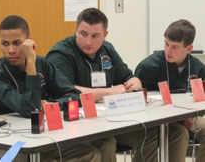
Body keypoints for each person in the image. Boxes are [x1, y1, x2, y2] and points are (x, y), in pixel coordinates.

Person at [46, 8, 188, 162]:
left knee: (168, 132)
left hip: (108, 118)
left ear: (105, 35)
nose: (88, 41)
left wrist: (134, 82)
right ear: (76, 30)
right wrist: (112, 92)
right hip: (76, 125)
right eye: (83, 34)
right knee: (107, 143)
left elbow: (127, 78)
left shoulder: (107, 49)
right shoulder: (61, 54)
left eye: (95, 36)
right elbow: (68, 91)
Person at [0, 15, 116, 162]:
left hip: (43, 135)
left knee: (95, 151)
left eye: (17, 43)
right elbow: (30, 109)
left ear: (29, 41)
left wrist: (51, 106)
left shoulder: (43, 63)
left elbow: (73, 94)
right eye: (5, 44)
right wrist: (31, 66)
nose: (11, 50)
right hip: (5, 143)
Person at [135, 19, 205, 162]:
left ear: (189, 49)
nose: (168, 50)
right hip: (155, 119)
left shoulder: (198, 68)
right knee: (180, 133)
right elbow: (137, 104)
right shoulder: (148, 67)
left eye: (175, 47)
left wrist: (190, 116)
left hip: (188, 116)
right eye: (166, 44)